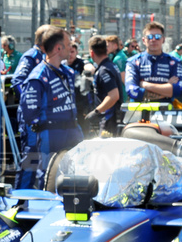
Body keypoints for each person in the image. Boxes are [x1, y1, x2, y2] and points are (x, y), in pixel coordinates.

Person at [20, 27, 82, 188]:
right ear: (58, 48)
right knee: (48, 176)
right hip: (51, 135)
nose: (71, 48)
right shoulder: (38, 76)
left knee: (77, 173)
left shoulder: (67, 72)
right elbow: (29, 113)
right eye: (68, 44)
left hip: (73, 130)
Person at [11, 24, 54, 188]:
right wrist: (33, 105)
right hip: (31, 118)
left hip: (45, 117)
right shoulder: (31, 56)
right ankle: (20, 202)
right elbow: (17, 82)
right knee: (31, 158)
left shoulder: (48, 56)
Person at [124, 20, 182, 108]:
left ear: (163, 39)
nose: (153, 40)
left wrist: (145, 85)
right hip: (138, 113)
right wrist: (166, 88)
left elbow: (178, 89)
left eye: (157, 37)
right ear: (144, 40)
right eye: (149, 37)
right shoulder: (133, 62)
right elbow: (132, 91)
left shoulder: (174, 62)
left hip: (166, 113)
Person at [84, 35, 122, 136]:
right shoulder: (109, 66)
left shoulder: (104, 70)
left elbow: (113, 96)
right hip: (110, 118)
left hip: (109, 119)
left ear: (92, 53)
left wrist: (96, 112)